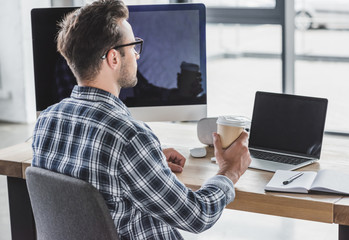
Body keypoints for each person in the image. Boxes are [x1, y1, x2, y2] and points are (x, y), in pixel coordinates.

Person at [32, 0, 252, 239]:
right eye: (134, 45)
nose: (137, 54)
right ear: (114, 59)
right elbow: (197, 215)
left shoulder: (46, 121)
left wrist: (148, 160)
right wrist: (229, 170)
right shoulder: (130, 138)